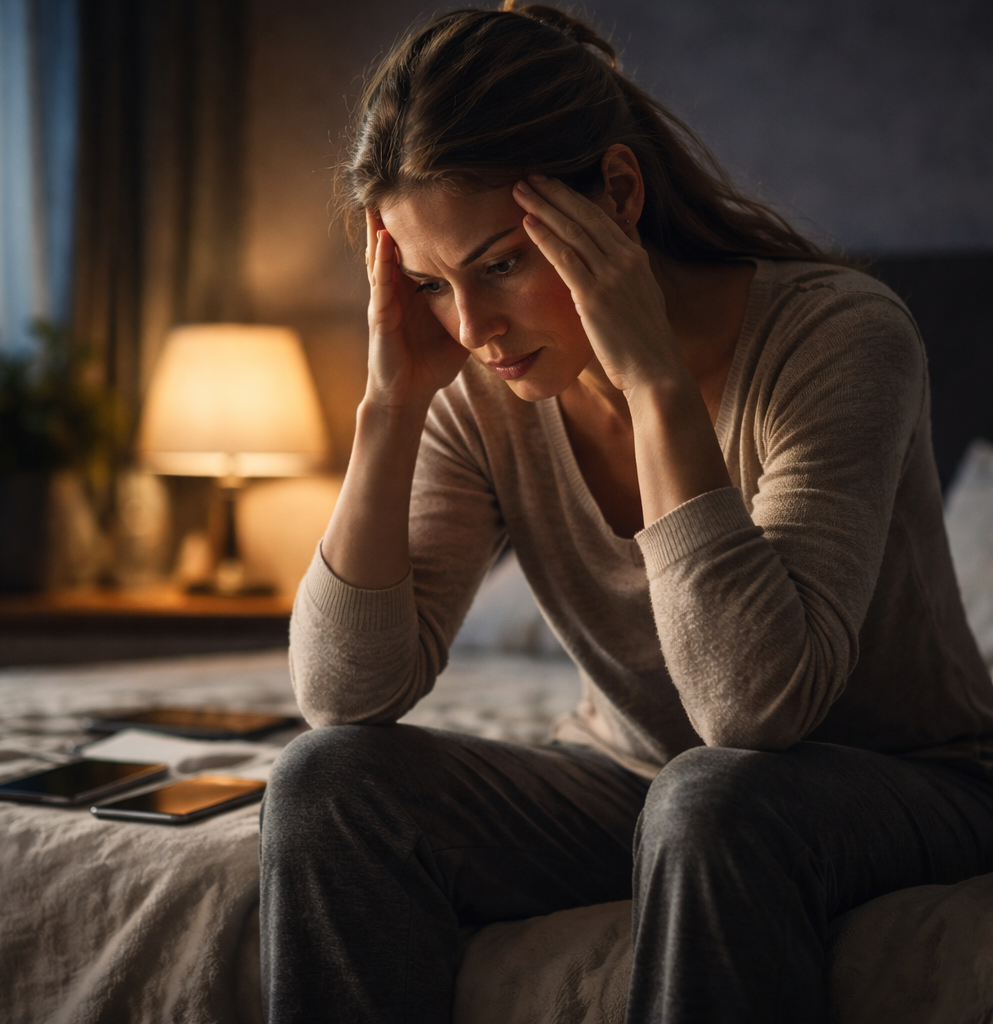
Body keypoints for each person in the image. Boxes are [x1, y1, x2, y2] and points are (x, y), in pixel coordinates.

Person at [259, 4, 993, 1022]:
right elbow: (346, 693)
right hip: (636, 783)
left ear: (614, 193)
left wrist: (651, 381)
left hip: (906, 782)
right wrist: (390, 407)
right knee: (324, 783)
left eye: (500, 264)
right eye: (430, 284)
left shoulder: (838, 338)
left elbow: (752, 711)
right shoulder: (480, 383)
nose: (472, 328)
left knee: (713, 799)